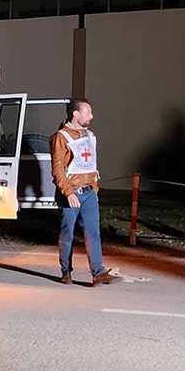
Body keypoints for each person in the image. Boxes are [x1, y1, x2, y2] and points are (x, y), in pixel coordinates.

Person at [50, 98, 119, 286]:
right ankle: (66, 272)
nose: (92, 116)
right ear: (75, 114)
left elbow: (91, 164)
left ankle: (98, 273)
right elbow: (57, 170)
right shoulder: (61, 137)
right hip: (71, 193)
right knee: (67, 234)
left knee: (93, 233)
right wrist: (68, 193)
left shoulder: (89, 135)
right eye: (87, 112)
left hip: (89, 193)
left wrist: (94, 188)